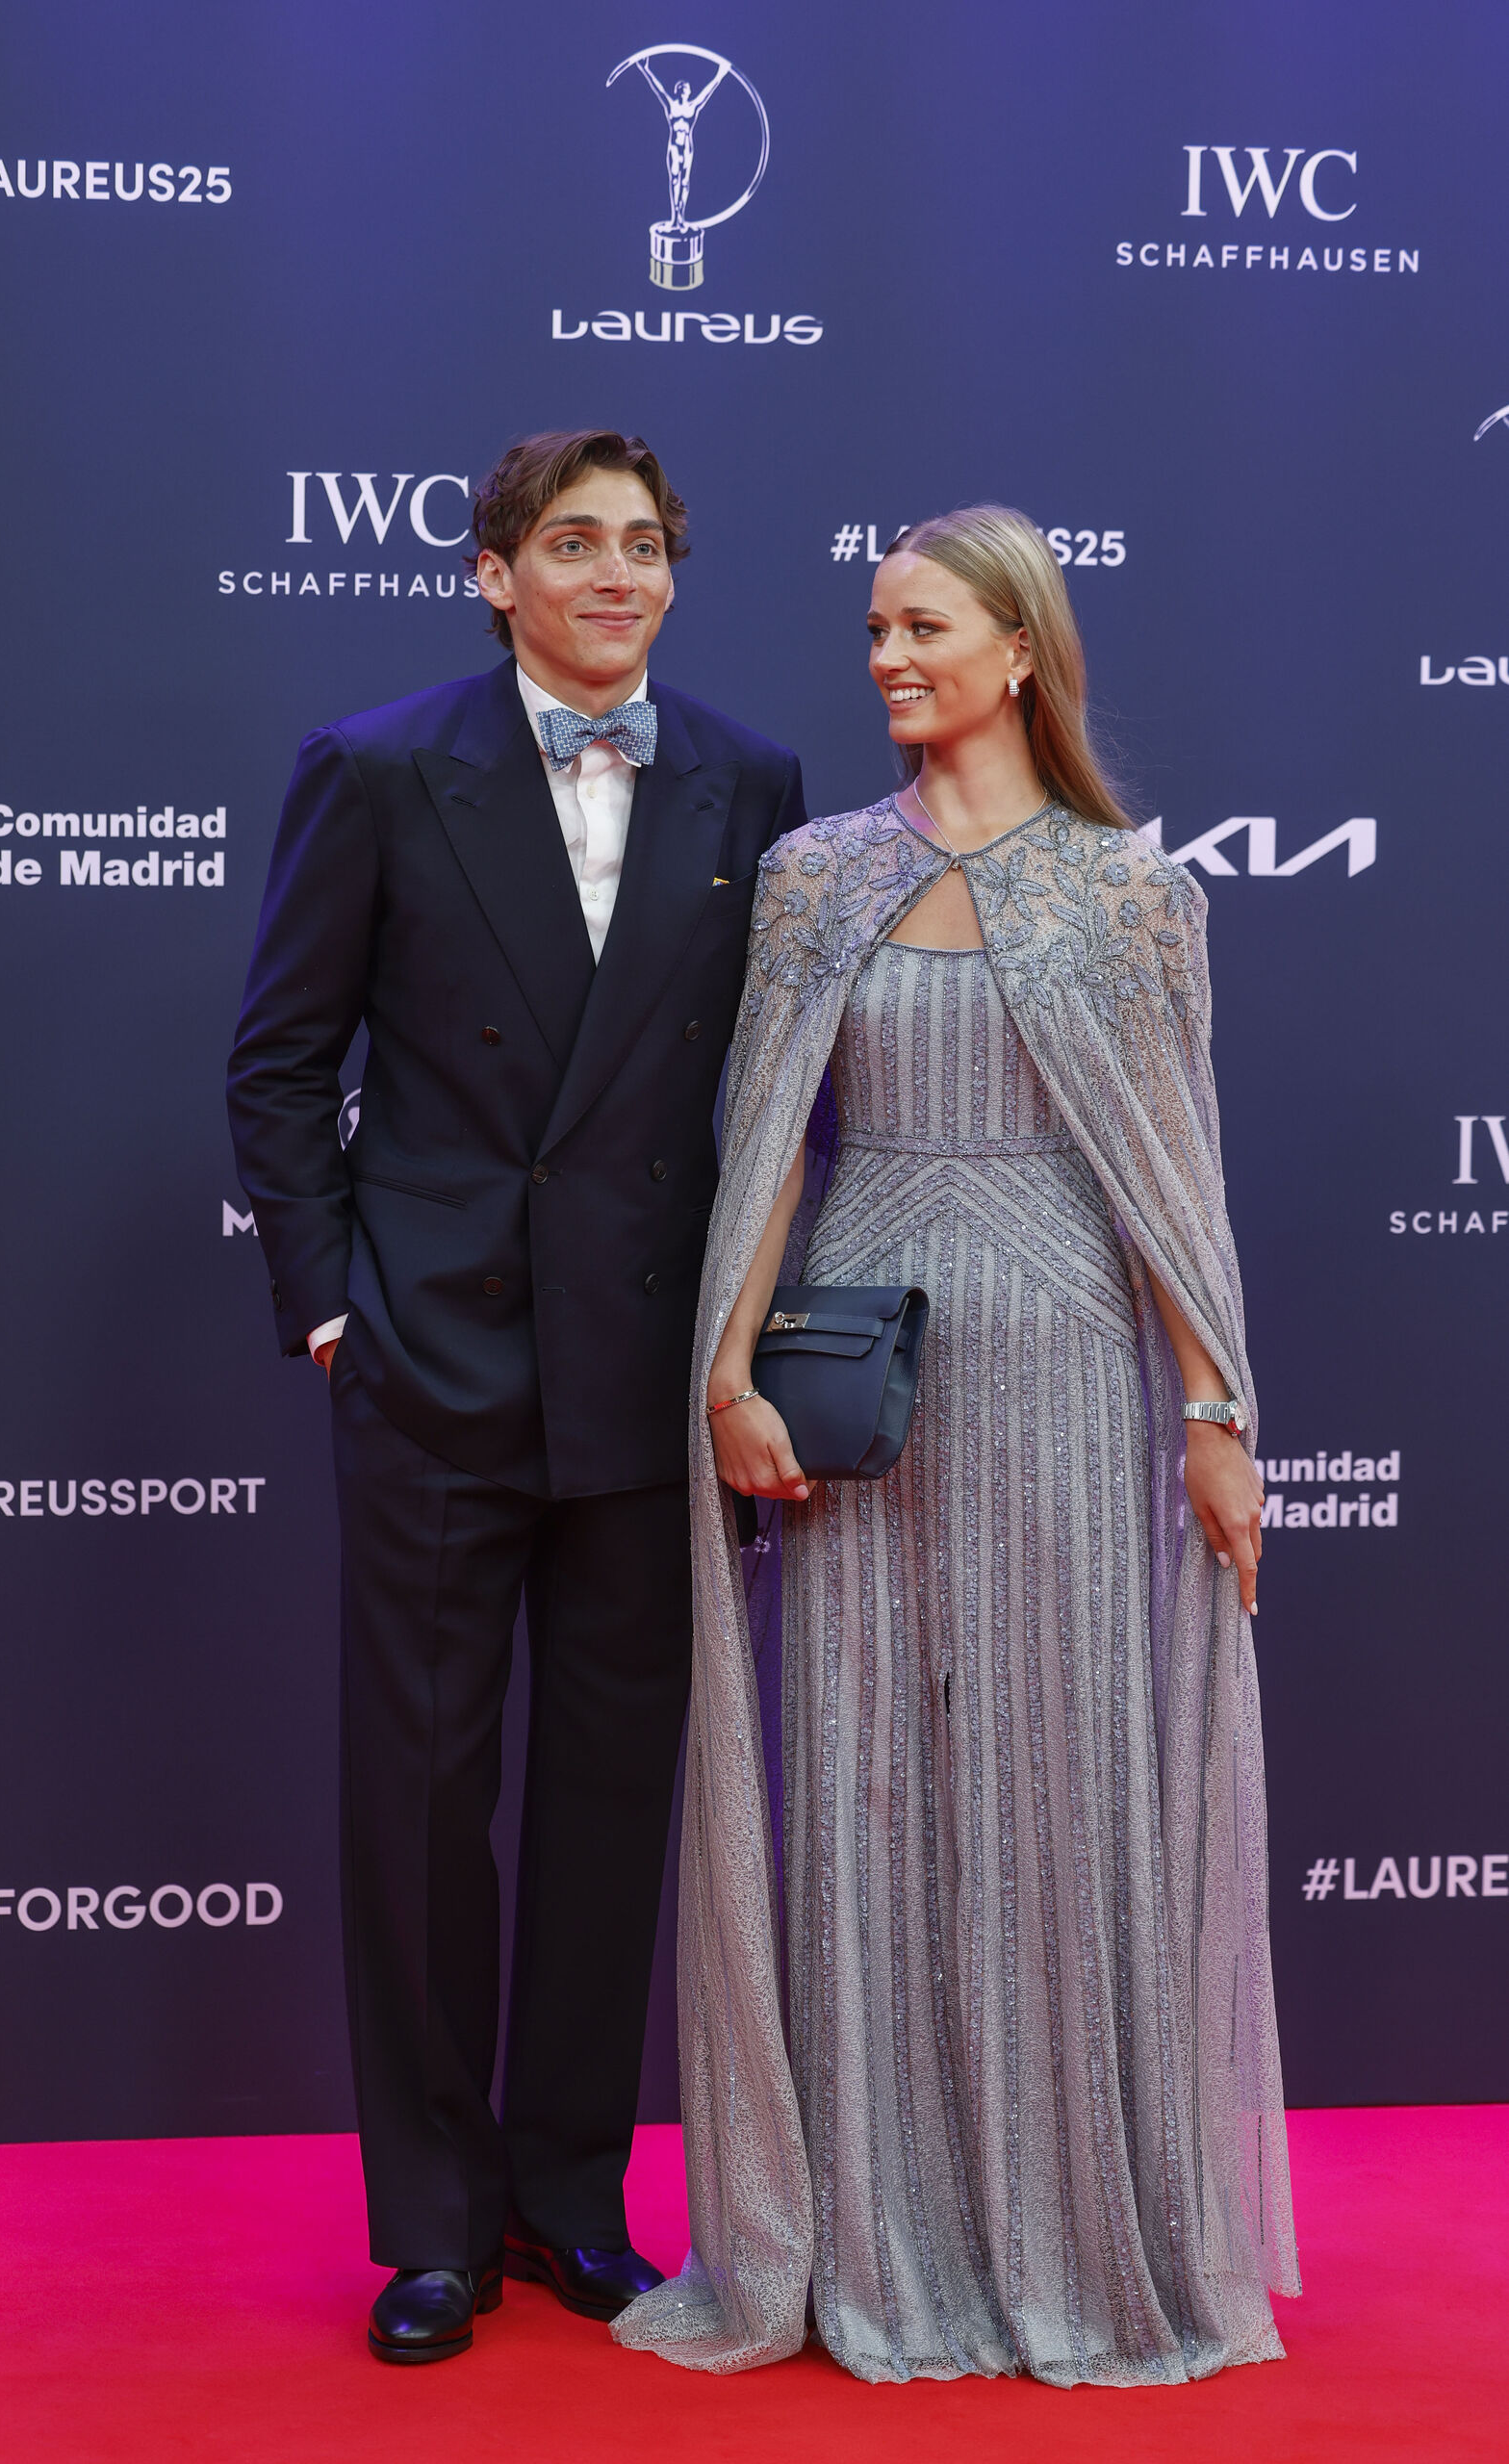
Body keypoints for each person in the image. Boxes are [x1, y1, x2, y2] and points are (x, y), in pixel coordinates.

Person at [614, 505, 1300, 2382]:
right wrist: (728, 1372)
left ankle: (1074, 2230)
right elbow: (766, 1145)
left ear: (1019, 650)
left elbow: (1173, 1183)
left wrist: (1214, 1412)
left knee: (1058, 1784)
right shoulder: (815, 874)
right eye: (873, 629)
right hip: (862, 1374)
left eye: (922, 627)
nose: (887, 658)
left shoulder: (1128, 891)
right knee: (864, 1778)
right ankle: (878, 2228)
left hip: (1069, 1370)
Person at [226, 429, 806, 2365]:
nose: (614, 573)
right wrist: (333, 1312)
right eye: (571, 542)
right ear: (493, 574)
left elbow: (763, 1088)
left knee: (609, 1807)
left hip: (648, 1373)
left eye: (643, 542)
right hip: (433, 1361)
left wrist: (742, 1343)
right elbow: (280, 1063)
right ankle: (429, 2224)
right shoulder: (381, 766)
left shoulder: (749, 778)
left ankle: (569, 2195)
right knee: (417, 1802)